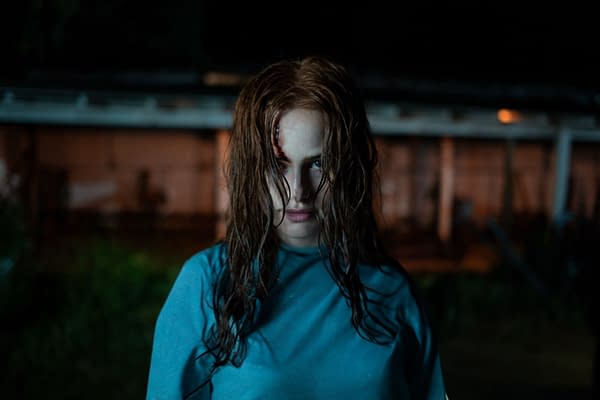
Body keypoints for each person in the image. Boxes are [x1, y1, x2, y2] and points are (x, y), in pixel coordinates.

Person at [146, 55, 448, 399]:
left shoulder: (392, 290)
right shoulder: (209, 283)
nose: (299, 191)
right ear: (252, 168)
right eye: (279, 164)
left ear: (348, 165)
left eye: (318, 163)